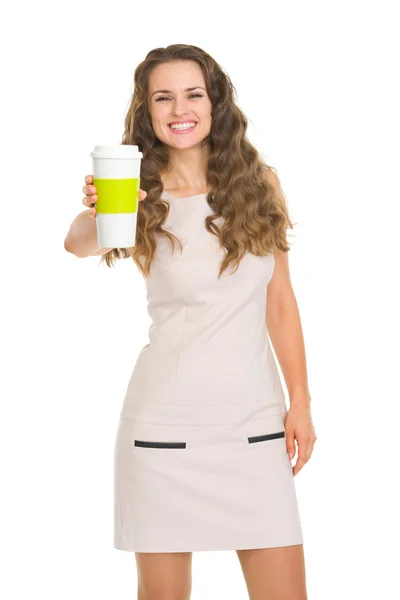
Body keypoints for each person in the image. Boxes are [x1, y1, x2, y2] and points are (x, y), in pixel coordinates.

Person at [64, 44, 317, 600]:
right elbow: (77, 245)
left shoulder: (259, 183)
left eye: (193, 93)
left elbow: (281, 302)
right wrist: (98, 211)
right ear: (148, 110)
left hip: (255, 425)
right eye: (164, 96)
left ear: (214, 102)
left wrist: (300, 401)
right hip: (161, 432)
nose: (181, 108)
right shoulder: (137, 196)